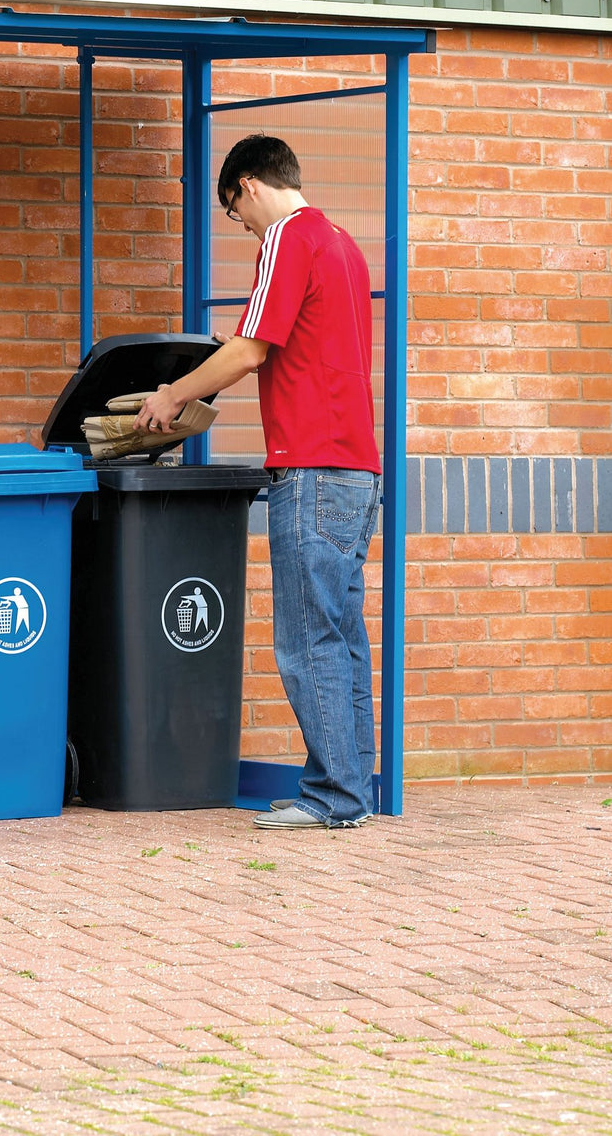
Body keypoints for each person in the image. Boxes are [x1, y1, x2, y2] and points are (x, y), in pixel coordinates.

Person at [136, 135, 381, 831]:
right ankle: (346, 792)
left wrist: (172, 396)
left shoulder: (289, 237)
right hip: (354, 470)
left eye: (235, 213)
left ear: (246, 185)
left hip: (311, 467)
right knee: (339, 634)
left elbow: (248, 349)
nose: (241, 226)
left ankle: (333, 797)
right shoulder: (343, 243)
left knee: (308, 637)